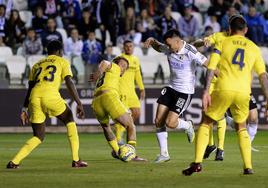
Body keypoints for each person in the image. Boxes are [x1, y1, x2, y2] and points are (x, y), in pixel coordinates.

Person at [182, 15, 268, 176]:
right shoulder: (254, 47)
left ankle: (197, 163)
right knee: (241, 126)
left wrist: (206, 91)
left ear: (230, 29)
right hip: (244, 92)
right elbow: (263, 75)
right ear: (246, 30)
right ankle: (248, 167)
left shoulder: (223, 42)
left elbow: (211, 67)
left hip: (224, 88)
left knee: (206, 122)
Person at [6, 40, 88, 169]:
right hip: (50, 95)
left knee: (38, 135)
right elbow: (69, 82)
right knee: (69, 118)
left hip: (34, 97)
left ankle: (14, 162)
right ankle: (76, 160)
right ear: (60, 51)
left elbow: (30, 88)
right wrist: (79, 102)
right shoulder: (62, 61)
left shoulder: (37, 65)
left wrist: (24, 108)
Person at [144, 29, 208, 163]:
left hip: (184, 92)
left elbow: (209, 65)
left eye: (169, 44)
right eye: (166, 44)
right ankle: (164, 154)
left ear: (177, 41)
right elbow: (158, 47)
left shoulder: (191, 51)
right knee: (158, 121)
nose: (168, 47)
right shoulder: (168, 48)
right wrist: (152, 40)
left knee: (170, 123)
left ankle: (187, 125)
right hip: (171, 87)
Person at [91, 56, 144, 161]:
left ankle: (117, 151)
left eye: (125, 68)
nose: (123, 68)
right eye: (123, 65)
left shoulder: (109, 75)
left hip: (96, 101)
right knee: (130, 125)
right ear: (115, 63)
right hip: (108, 97)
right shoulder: (114, 67)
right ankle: (131, 154)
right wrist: (98, 72)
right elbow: (105, 62)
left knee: (106, 127)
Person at [114, 40, 145, 144]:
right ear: (123, 47)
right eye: (126, 46)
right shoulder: (119, 60)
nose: (129, 48)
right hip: (121, 91)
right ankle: (118, 138)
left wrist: (142, 88)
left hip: (132, 92)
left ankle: (123, 130)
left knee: (136, 113)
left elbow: (138, 75)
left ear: (133, 47)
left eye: (130, 46)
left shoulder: (135, 59)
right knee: (123, 114)